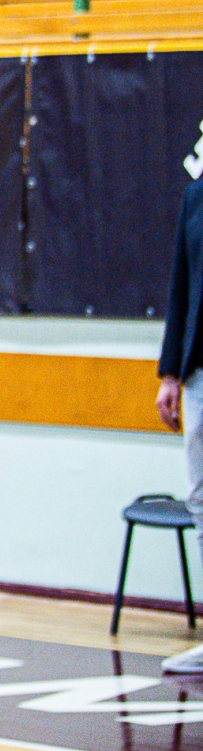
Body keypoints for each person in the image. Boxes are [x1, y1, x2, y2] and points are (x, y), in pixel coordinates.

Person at [157, 171, 203, 674]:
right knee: (202, 501)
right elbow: (181, 287)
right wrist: (170, 372)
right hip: (199, 375)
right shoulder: (196, 194)